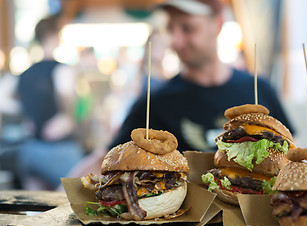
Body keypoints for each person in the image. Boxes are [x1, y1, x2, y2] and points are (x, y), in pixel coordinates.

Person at [66, 0, 294, 179]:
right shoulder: (155, 103)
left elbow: (292, 152)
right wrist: (55, 200)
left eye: (187, 28)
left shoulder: (259, 89)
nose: (175, 40)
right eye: (170, 28)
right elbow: (106, 159)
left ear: (218, 24)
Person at [17, 14, 83, 190]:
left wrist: (25, 116)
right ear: (54, 36)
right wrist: (67, 117)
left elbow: (4, 100)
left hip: (29, 148)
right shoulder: (61, 69)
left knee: (36, 207)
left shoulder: (25, 73)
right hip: (58, 150)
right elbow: (67, 96)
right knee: (82, 194)